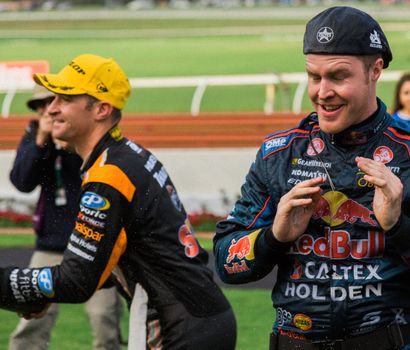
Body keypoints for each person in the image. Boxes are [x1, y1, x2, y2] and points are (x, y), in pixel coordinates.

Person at [214, 6, 410, 350]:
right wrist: (275, 236)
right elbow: (225, 261)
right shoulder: (278, 154)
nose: (322, 92)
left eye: (338, 76)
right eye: (314, 77)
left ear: (375, 70)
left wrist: (400, 227)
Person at [0, 53, 236, 350]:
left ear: (101, 109)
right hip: (198, 317)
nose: (52, 109)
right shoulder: (128, 156)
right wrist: (40, 292)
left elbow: (76, 280)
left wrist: (10, 284)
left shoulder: (109, 175)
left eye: (65, 98)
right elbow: (111, 262)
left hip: (177, 327)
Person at [9, 85, 122, 350]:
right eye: (41, 106)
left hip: (92, 244)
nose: (48, 110)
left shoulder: (84, 135)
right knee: (30, 321)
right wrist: (41, 142)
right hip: (50, 244)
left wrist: (69, 144)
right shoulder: (34, 136)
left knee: (103, 318)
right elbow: (22, 181)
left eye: (53, 102)